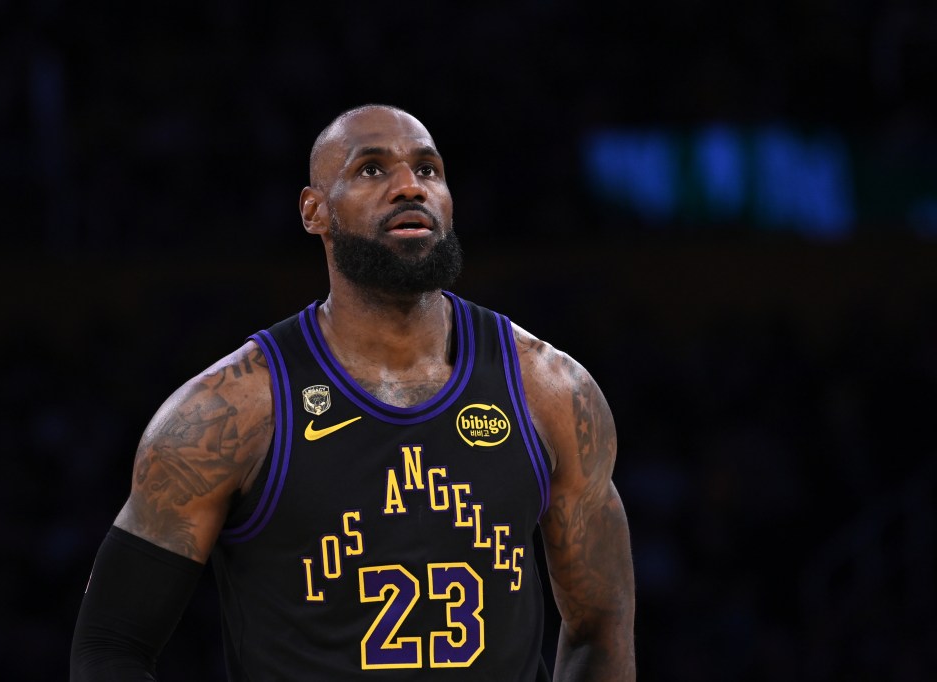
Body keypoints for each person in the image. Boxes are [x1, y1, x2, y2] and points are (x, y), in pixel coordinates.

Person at [70, 104, 636, 681]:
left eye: (428, 169)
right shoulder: (228, 410)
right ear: (314, 211)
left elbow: (602, 627)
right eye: (371, 169)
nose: (409, 186)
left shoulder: (550, 389)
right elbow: (110, 646)